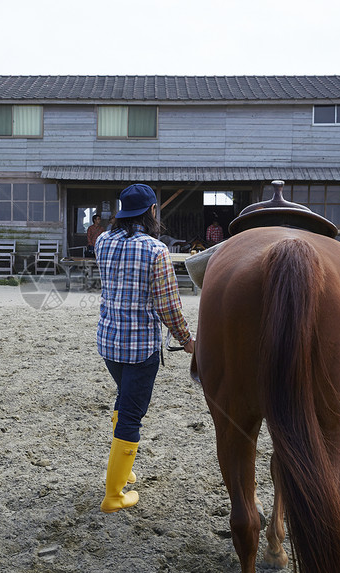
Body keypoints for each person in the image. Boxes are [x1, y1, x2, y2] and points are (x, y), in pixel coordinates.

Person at [94, 183, 195, 513]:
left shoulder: (103, 242)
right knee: (132, 417)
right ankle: (113, 496)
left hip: (108, 342)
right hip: (140, 349)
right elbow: (168, 306)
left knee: (124, 400)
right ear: (152, 211)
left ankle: (123, 468)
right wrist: (186, 339)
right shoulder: (156, 251)